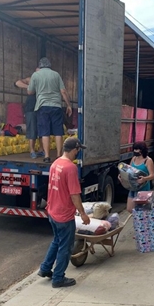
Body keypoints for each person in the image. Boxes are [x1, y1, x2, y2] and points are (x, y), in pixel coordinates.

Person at [38, 137, 90, 288]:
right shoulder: (70, 167)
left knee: (57, 240)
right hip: (63, 214)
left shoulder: (56, 163)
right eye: (78, 150)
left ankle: (45, 268)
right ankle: (58, 278)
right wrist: (83, 213)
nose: (78, 153)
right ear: (75, 149)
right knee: (65, 247)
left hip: (52, 211)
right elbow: (74, 194)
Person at [27, 57, 72, 163]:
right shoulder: (56, 74)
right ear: (50, 65)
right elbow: (63, 91)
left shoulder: (35, 75)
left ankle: (47, 156)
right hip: (56, 106)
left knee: (45, 132)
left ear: (40, 65)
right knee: (58, 131)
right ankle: (58, 155)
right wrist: (68, 105)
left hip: (42, 106)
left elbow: (30, 92)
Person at [15, 68, 45, 159]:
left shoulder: (45, 81)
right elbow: (17, 83)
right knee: (32, 129)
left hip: (41, 106)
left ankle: (41, 149)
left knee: (42, 129)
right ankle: (32, 150)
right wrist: (28, 87)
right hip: (31, 107)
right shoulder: (30, 80)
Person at [125, 141, 154, 213]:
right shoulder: (133, 159)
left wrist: (144, 179)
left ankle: (140, 222)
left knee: (141, 210)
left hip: (143, 189)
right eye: (134, 149)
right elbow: (129, 170)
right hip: (133, 188)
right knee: (129, 208)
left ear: (142, 150)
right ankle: (138, 220)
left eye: (137, 149)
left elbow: (152, 175)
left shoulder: (148, 161)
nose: (135, 151)